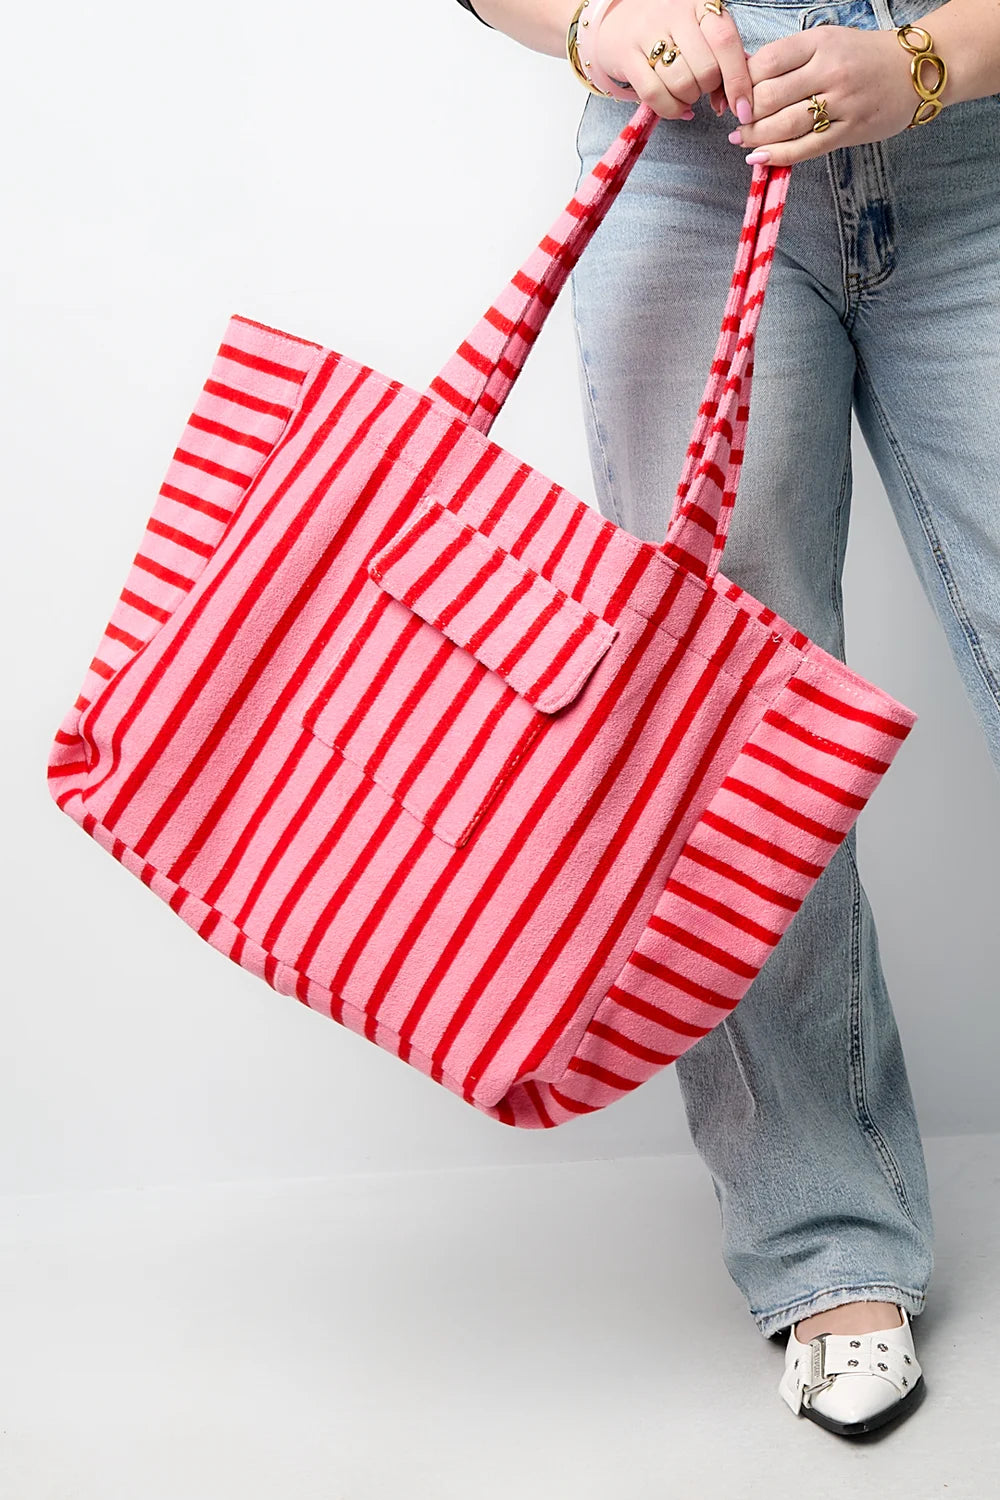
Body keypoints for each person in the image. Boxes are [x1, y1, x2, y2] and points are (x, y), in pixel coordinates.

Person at [454, 0, 1000, 1438]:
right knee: (725, 718)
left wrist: (936, 60)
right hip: (690, 167)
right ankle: (826, 1236)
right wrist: (598, 22)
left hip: (977, 151)